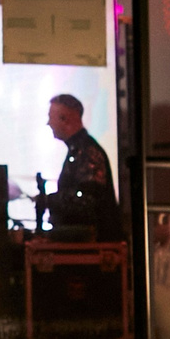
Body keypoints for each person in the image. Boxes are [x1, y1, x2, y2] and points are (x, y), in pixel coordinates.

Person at [38, 93, 123, 242]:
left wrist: (50, 200)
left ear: (65, 119)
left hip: (94, 250)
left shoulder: (88, 152)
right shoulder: (81, 150)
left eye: (51, 117)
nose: (48, 123)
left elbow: (87, 201)